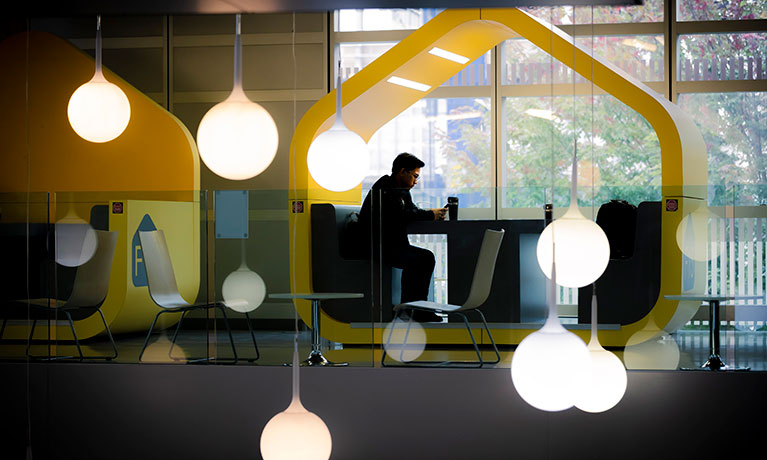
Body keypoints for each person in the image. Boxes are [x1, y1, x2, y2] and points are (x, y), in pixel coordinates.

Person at [358, 153, 447, 322]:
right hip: (376, 245)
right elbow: (402, 214)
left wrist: (430, 214)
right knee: (420, 259)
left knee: (425, 257)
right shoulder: (385, 187)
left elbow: (410, 211)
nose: (415, 181)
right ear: (402, 172)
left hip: (391, 245)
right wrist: (430, 215)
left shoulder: (402, 191)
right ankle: (412, 309)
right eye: (414, 176)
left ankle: (414, 308)